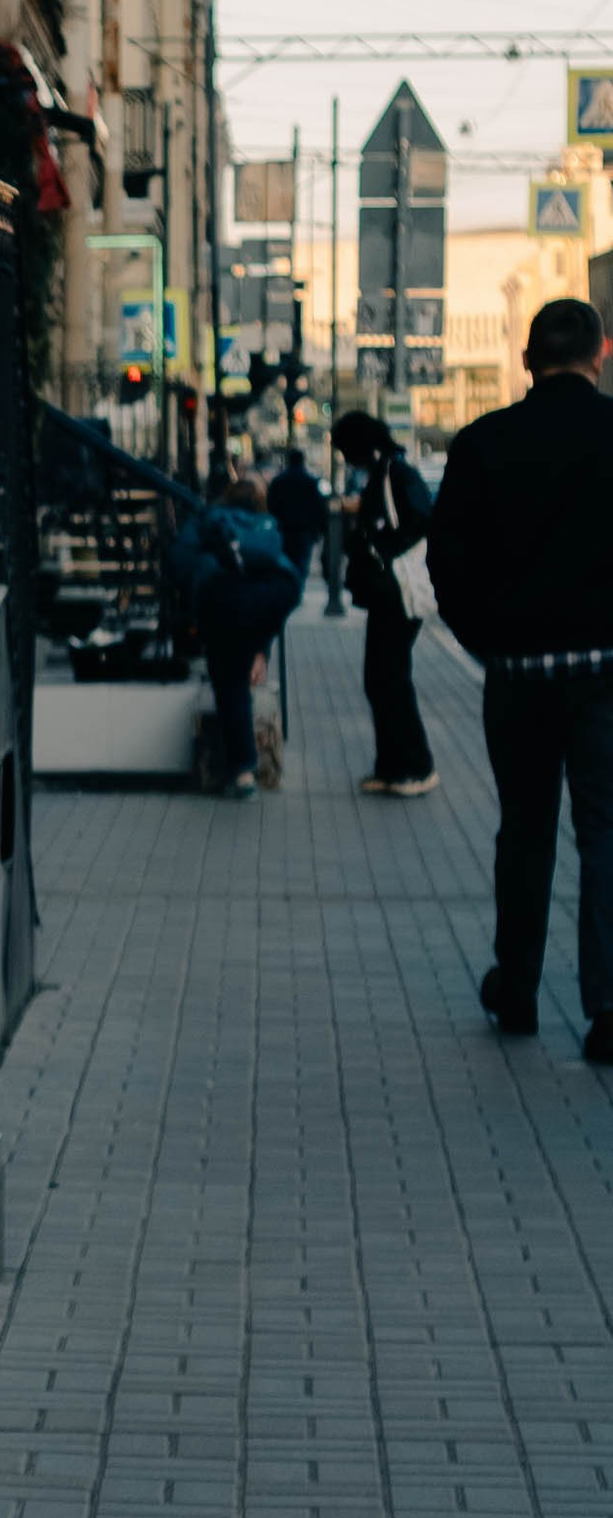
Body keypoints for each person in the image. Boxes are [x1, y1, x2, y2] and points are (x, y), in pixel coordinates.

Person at [427, 291, 613, 1054]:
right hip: (607, 676)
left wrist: (489, 642)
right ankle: (608, 1008)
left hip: (518, 677)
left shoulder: (483, 443)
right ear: (601, 355)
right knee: (606, 834)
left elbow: (446, 563)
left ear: (528, 359)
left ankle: (519, 989)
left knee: (525, 832)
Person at [330, 407, 438, 794]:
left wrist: (381, 547)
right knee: (379, 679)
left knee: (390, 679)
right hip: (385, 595)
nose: (345, 458)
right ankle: (391, 766)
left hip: (398, 593)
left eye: (346, 449)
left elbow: (421, 520)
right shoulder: (383, 473)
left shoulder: (396, 472)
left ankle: (417, 767)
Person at [176, 478, 302, 795]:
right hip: (272, 598)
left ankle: (243, 772)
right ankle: (256, 659)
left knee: (230, 685)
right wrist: (262, 649)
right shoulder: (264, 524)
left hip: (223, 602)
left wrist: (194, 612)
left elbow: (180, 562)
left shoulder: (208, 519)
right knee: (241, 673)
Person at [265, 448, 327, 599]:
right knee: (302, 560)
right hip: (305, 528)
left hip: (284, 527)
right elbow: (319, 506)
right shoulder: (311, 481)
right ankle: (297, 589)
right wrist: (320, 528)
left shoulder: (279, 481)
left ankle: (290, 588)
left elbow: (271, 504)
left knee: (287, 558)